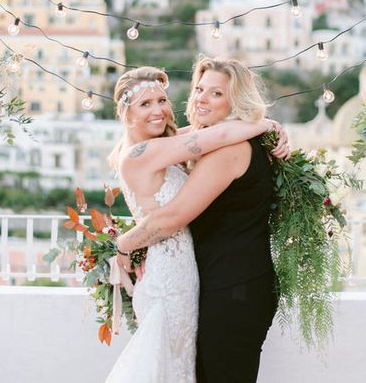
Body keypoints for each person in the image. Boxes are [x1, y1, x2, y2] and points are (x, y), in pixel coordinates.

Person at [105, 66, 285, 383]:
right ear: (126, 112)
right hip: (170, 275)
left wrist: (270, 128)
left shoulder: (163, 144)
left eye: (162, 101)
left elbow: (206, 134)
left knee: (180, 366)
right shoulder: (143, 152)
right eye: (145, 104)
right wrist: (123, 245)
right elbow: (171, 217)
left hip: (209, 279)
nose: (158, 110)